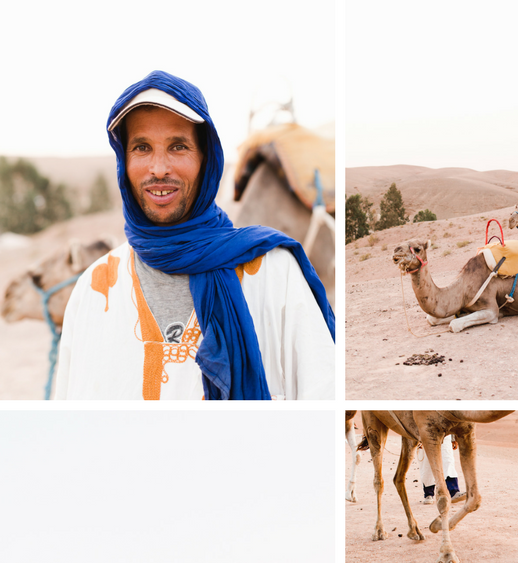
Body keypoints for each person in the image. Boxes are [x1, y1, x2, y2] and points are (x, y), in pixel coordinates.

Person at [55, 70, 335, 400]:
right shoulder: (94, 290)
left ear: (206, 158)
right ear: (124, 161)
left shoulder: (274, 272)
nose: (158, 168)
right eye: (142, 147)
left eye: (178, 146)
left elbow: (322, 399)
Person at [418, 435, 464, 504]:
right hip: (425, 432)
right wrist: (417, 437)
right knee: (426, 464)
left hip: (445, 432)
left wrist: (454, 438)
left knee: (448, 459)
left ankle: (454, 491)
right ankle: (428, 494)